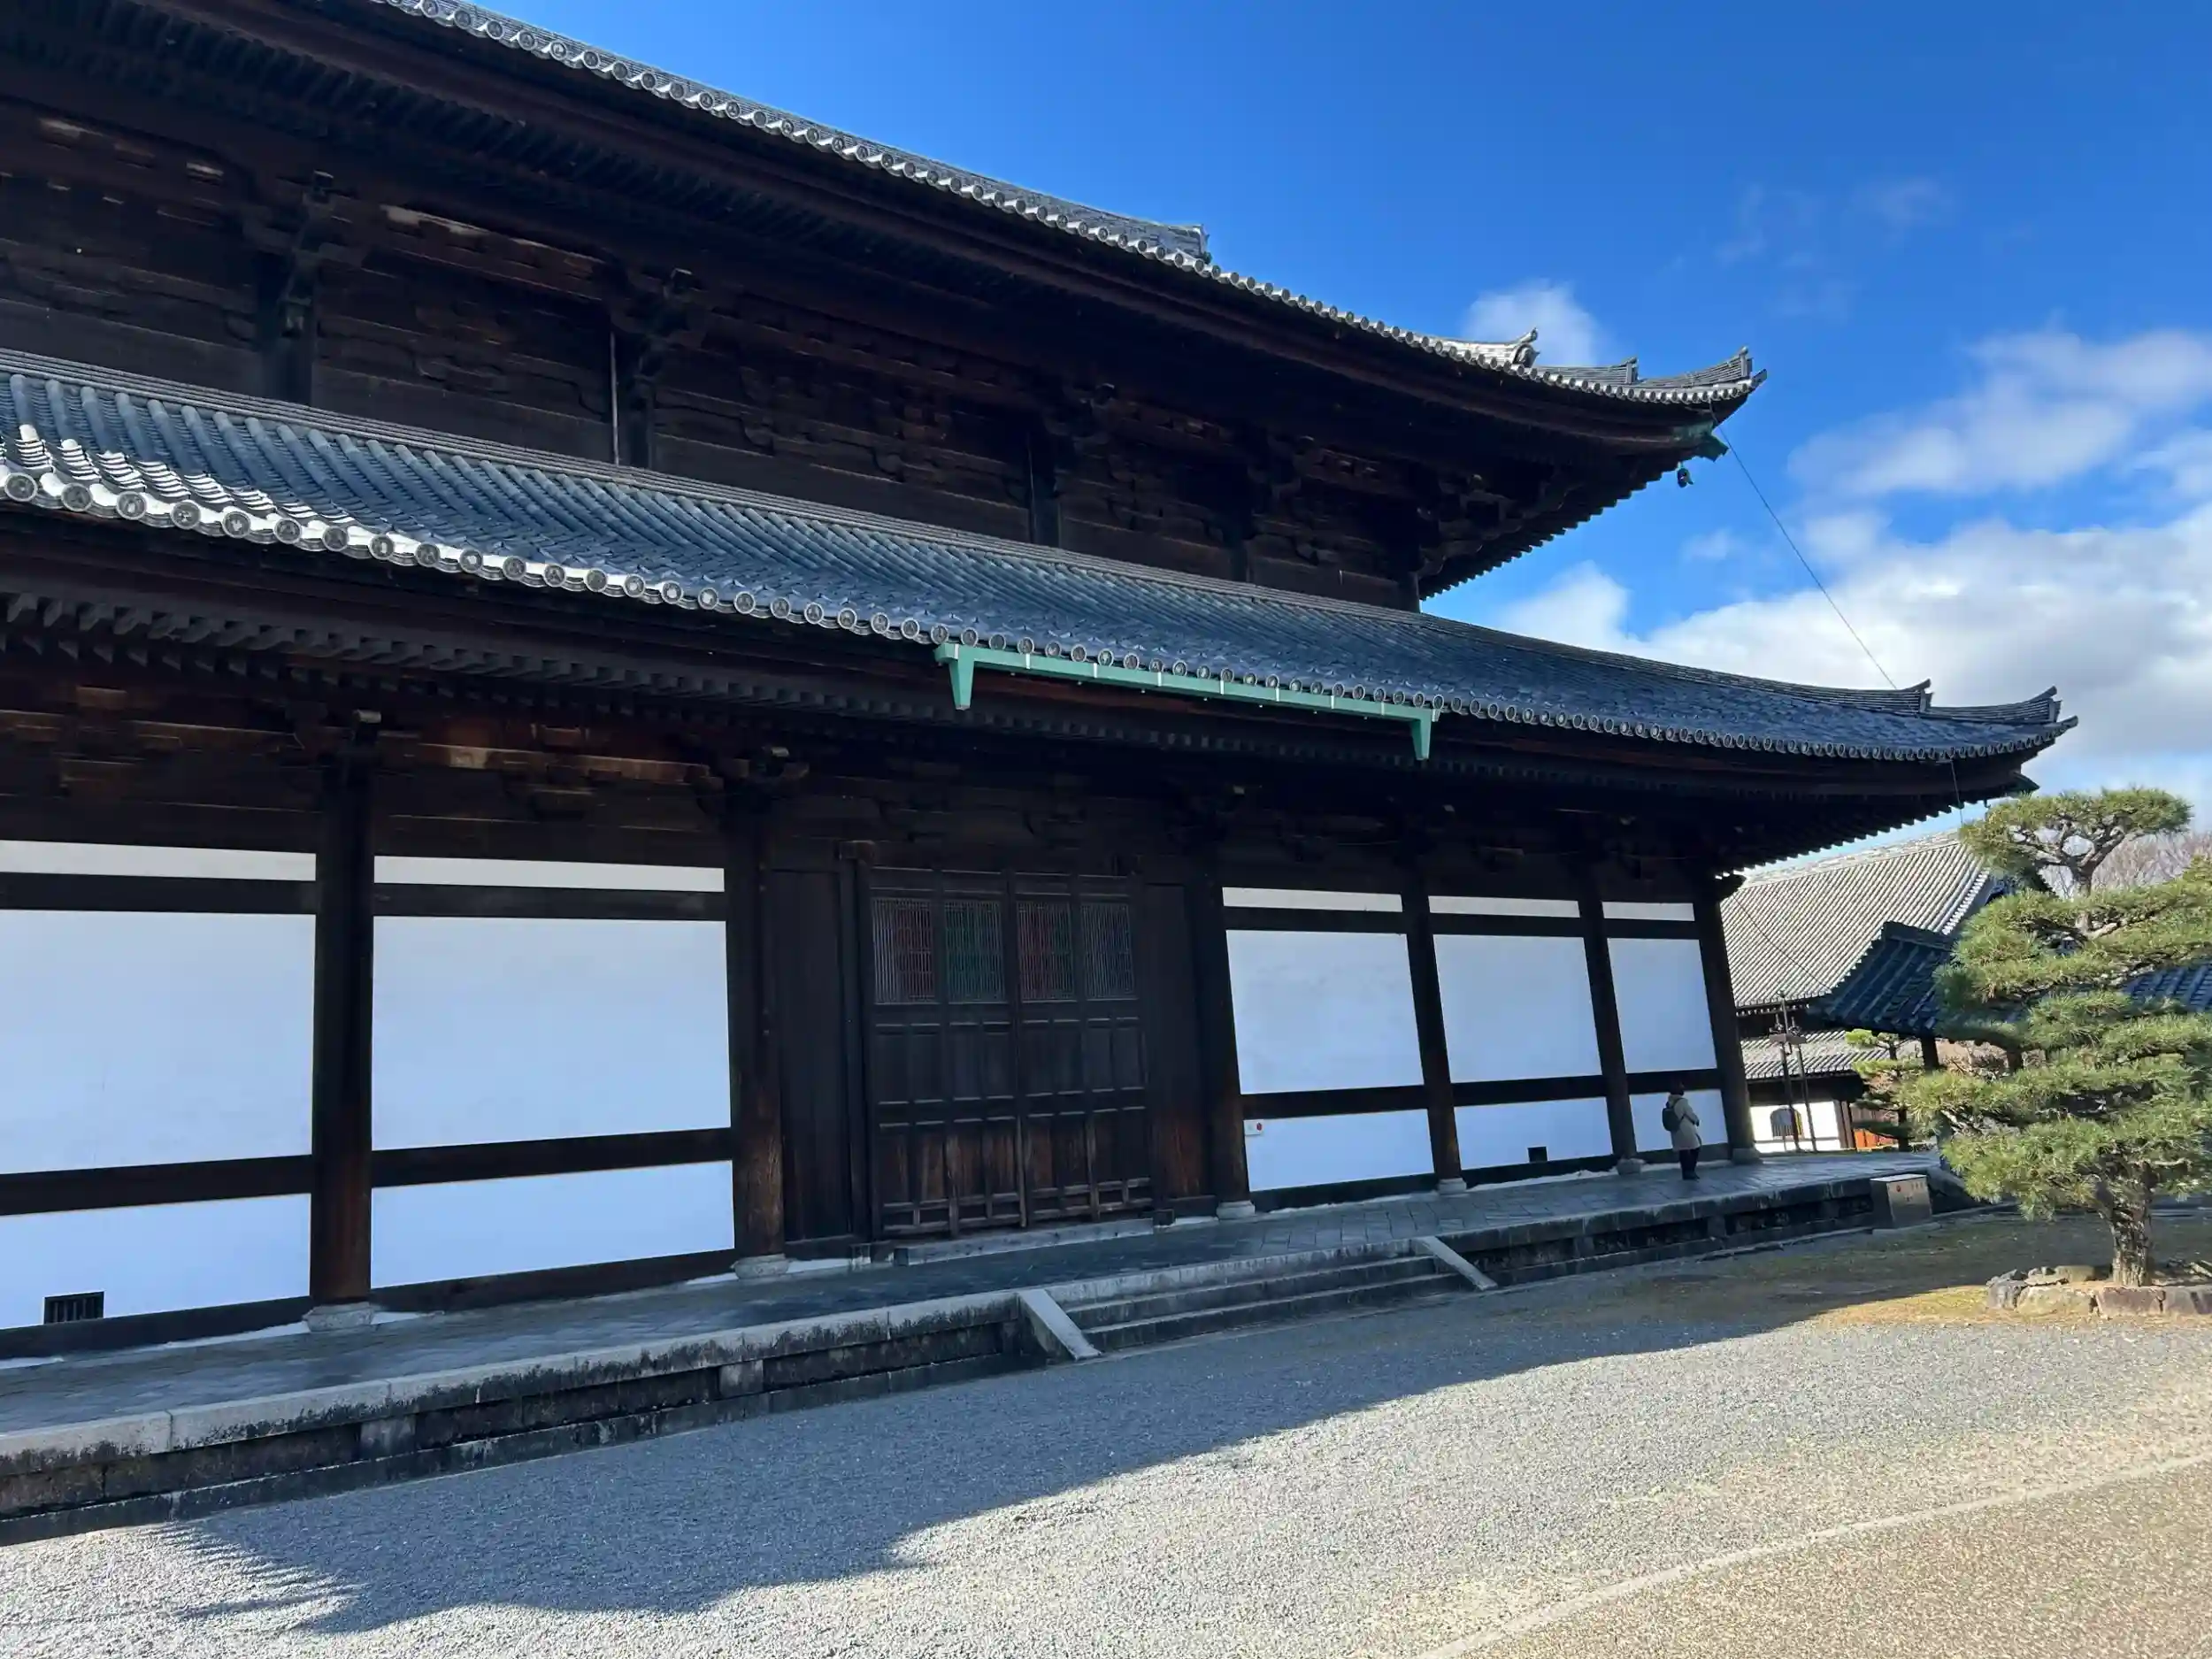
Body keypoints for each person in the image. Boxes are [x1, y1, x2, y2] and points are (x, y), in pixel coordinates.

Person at [1661, 1084, 1701, 1180]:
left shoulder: (1669, 1102)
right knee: (1695, 1148)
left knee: (1683, 1152)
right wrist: (1696, 1120)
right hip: (1685, 1129)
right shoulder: (1682, 1102)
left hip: (1676, 1130)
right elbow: (1690, 1113)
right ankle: (1690, 1171)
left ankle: (1685, 1172)